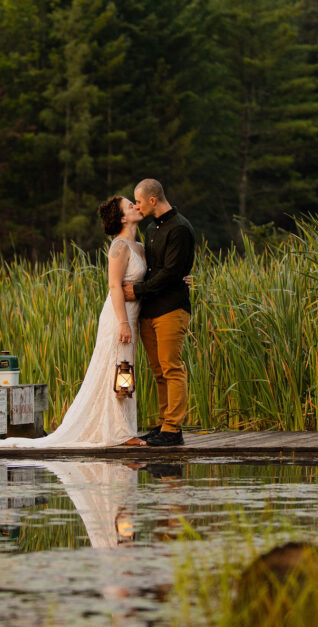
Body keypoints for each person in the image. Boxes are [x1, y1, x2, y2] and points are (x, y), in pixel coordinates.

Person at [0, 196, 148, 448]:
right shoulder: (119, 247)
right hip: (119, 316)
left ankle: (123, 427)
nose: (136, 207)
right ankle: (119, 431)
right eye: (131, 206)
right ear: (122, 218)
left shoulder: (138, 246)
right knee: (119, 368)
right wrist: (122, 322)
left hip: (133, 315)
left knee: (126, 369)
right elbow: (114, 285)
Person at [122, 179, 195, 447]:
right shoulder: (151, 229)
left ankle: (173, 429)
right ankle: (164, 423)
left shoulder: (180, 229)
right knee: (158, 370)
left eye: (138, 201)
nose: (137, 206)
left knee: (171, 367)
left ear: (153, 200)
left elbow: (171, 273)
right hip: (149, 311)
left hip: (171, 308)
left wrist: (137, 291)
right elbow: (152, 269)